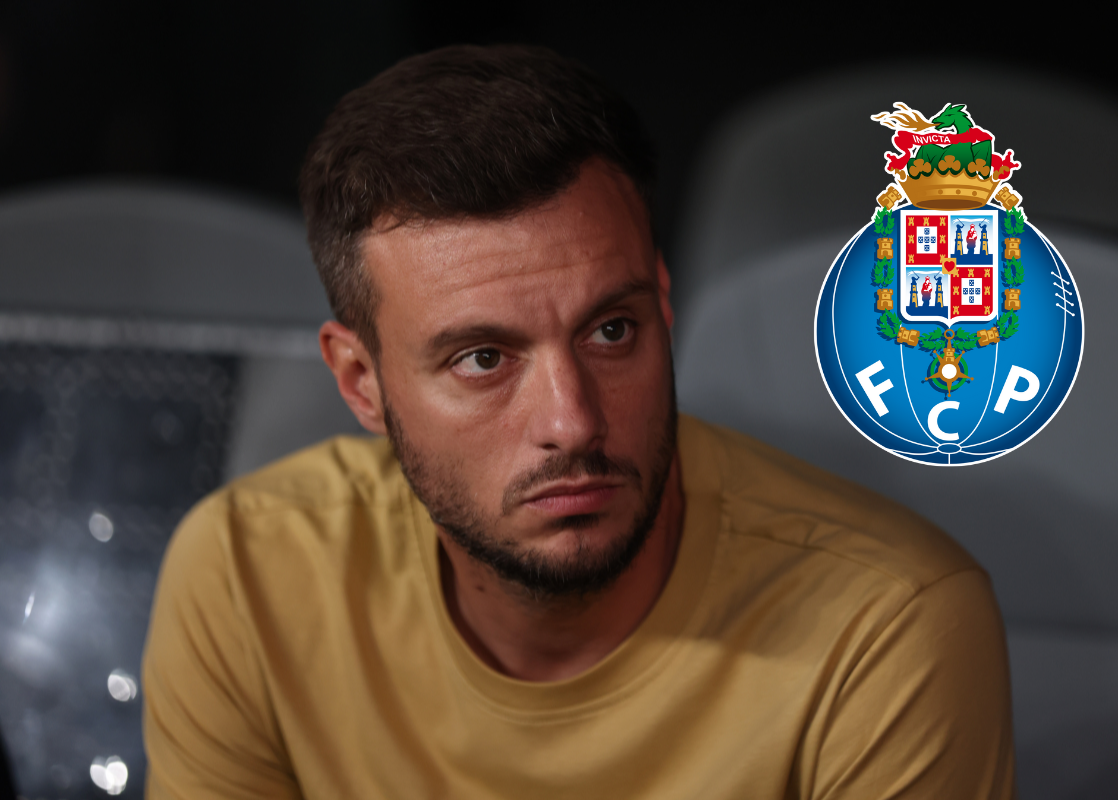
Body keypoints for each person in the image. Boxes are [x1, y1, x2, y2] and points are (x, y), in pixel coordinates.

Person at [142, 44, 1015, 798]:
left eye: (611, 331)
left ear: (663, 306)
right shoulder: (248, 573)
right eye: (483, 359)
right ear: (360, 382)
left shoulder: (886, 625)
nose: (573, 422)